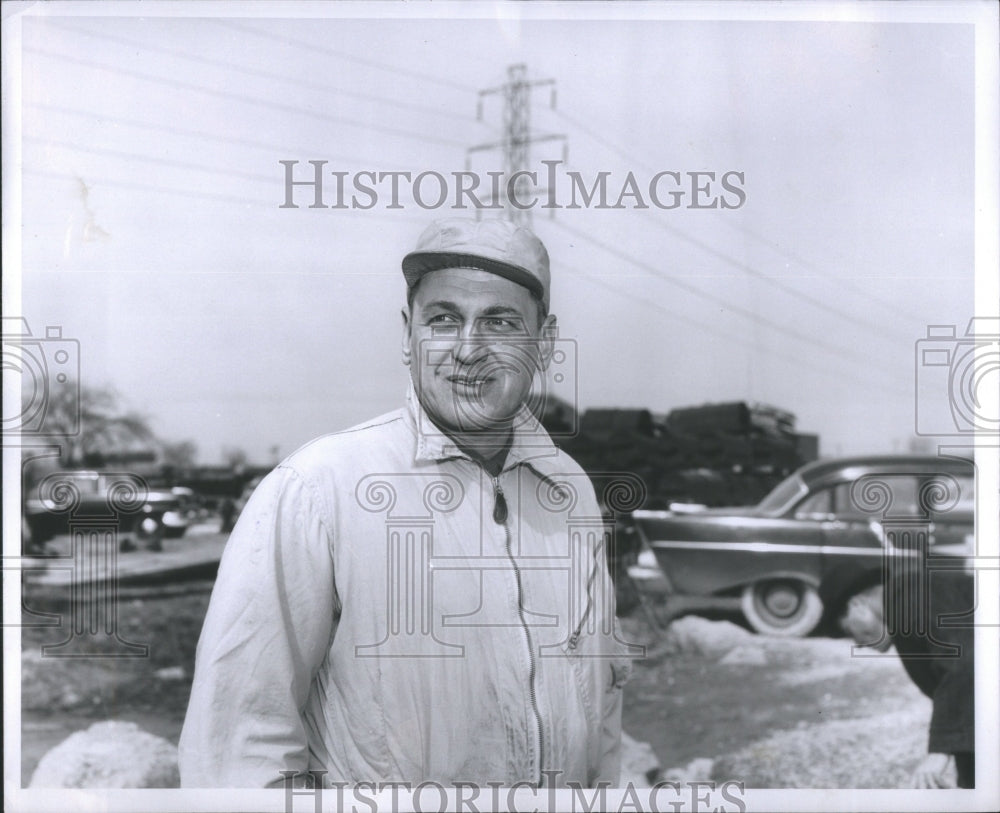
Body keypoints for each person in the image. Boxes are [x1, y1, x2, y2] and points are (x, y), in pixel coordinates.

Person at [179, 217, 631, 788]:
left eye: (501, 322)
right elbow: (236, 748)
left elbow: (601, 711)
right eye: (444, 319)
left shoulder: (571, 493)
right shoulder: (318, 490)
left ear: (544, 342)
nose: (469, 351)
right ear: (407, 334)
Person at [833, 566, 975, 789]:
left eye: (851, 633)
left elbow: (965, 663)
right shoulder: (903, 608)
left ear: (857, 605)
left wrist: (940, 750)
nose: (858, 644)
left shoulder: (913, 594)